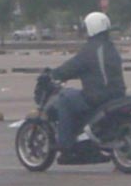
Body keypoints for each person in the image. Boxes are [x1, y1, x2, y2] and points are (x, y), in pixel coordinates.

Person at [50, 11, 126, 163]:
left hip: (98, 97)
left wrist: (55, 74)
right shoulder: (110, 47)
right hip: (117, 94)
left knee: (65, 98)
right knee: (74, 96)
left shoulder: (90, 49)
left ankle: (66, 148)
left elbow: (72, 66)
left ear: (91, 27)